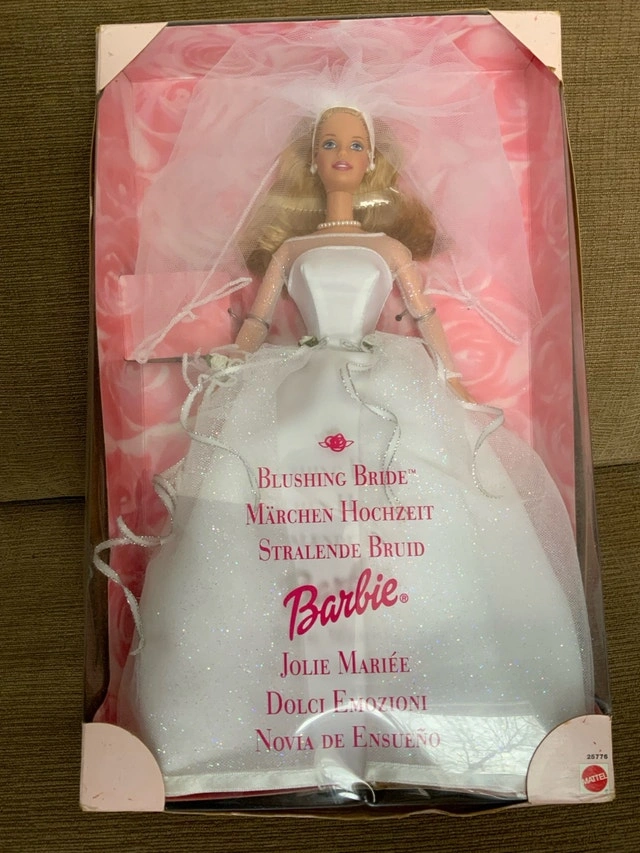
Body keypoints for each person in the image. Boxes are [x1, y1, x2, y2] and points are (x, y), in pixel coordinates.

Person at [109, 104, 593, 802]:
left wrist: (455, 386)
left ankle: (417, 715)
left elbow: (425, 318)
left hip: (385, 383)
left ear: (372, 161)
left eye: (356, 144)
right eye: (330, 142)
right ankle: (248, 729)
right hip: (295, 381)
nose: (342, 153)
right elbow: (255, 321)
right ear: (312, 159)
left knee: (412, 513)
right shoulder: (292, 248)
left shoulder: (387, 248)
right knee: (274, 510)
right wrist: (227, 369)